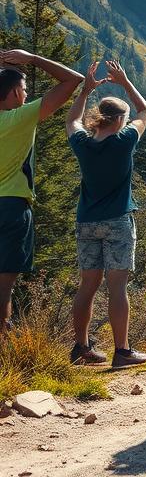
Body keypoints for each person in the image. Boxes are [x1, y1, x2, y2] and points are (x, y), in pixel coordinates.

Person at [66, 61, 146, 367]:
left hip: (86, 221)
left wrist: (86, 90)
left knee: (87, 285)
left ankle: (81, 348)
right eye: (124, 119)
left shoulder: (82, 144)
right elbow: (145, 112)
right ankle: (122, 351)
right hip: (117, 221)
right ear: (118, 121)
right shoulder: (124, 141)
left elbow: (73, 119)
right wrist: (126, 81)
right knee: (117, 287)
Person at [0, 49, 83, 334]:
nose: (25, 95)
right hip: (11, 206)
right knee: (5, 284)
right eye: (23, 90)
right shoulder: (18, 119)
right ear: (12, 93)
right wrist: (32, 59)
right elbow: (73, 80)